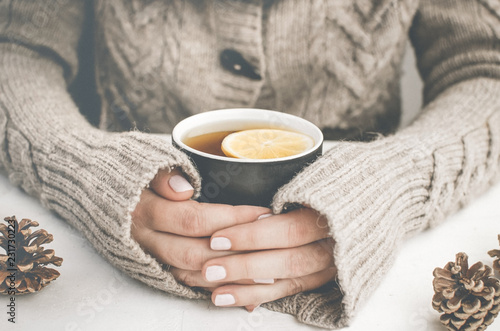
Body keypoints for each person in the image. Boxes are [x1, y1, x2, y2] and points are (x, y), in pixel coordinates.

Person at [1, 0, 499, 329]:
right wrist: (80, 166)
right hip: (105, 286)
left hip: (372, 277)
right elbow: (16, 45)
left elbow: (485, 64)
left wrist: (396, 180)